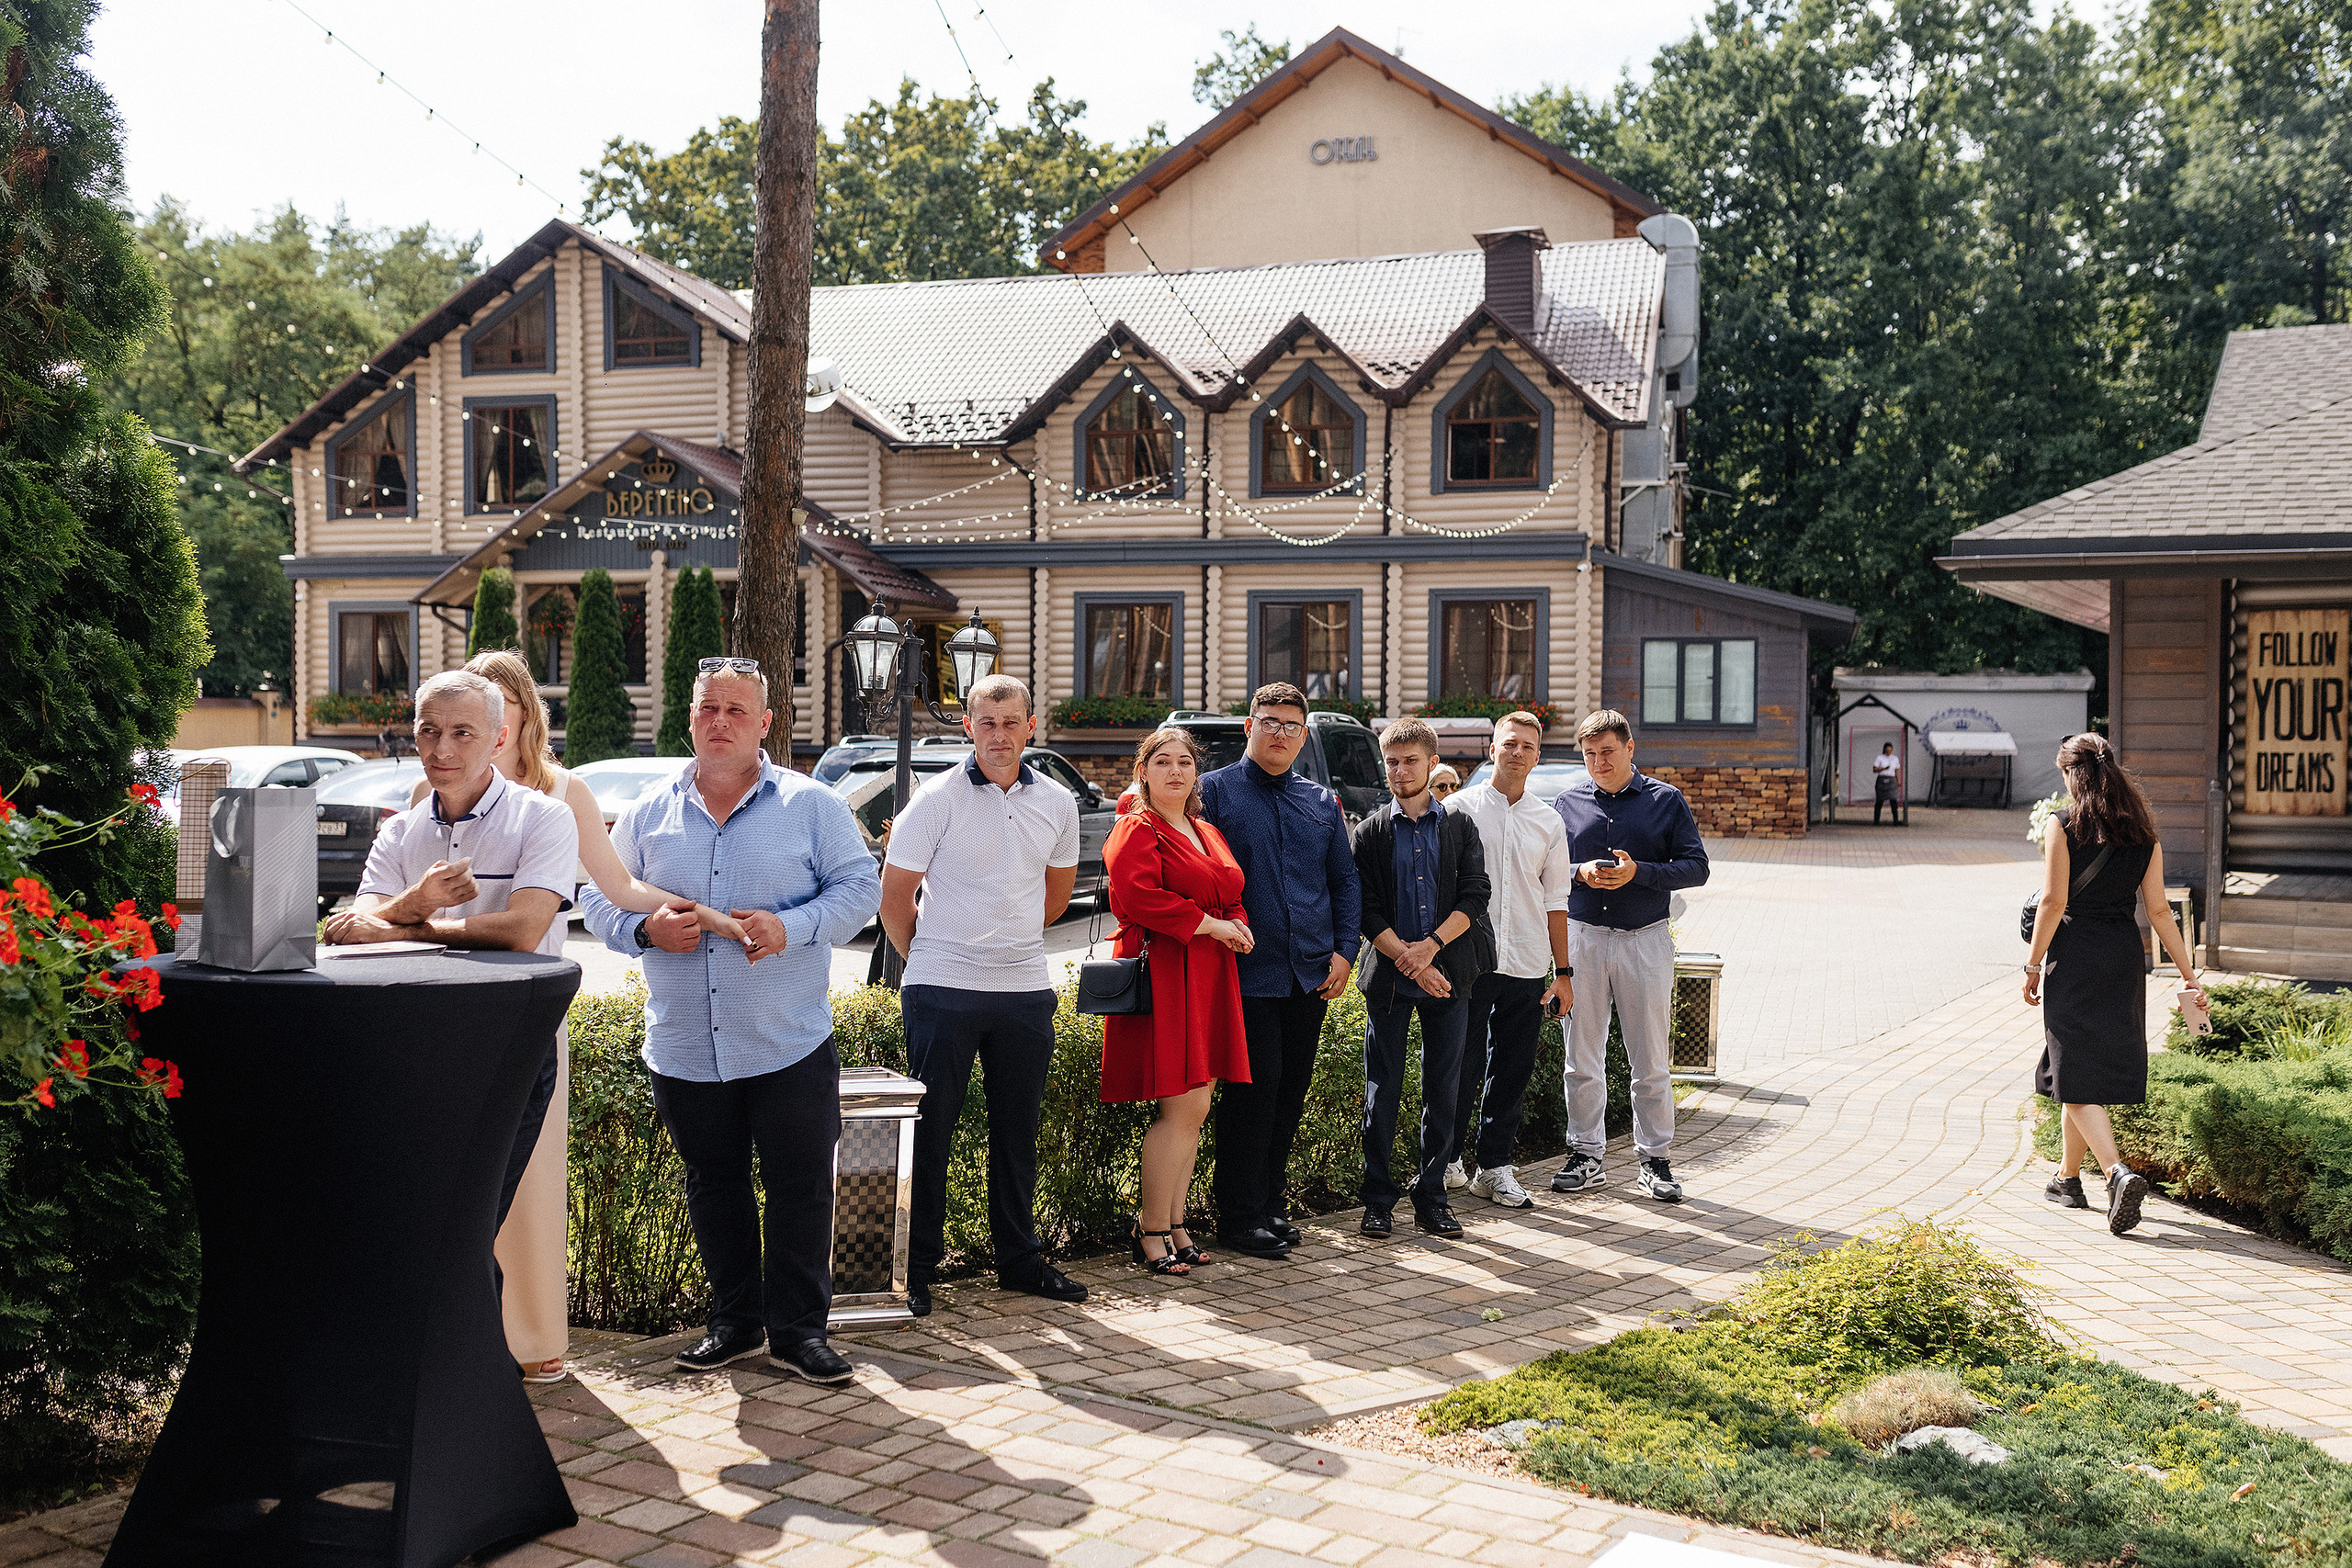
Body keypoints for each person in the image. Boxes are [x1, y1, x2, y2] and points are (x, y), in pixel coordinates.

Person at [407, 651, 749, 1382]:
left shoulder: (563, 792)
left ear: (522, 716)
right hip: (441, 1009)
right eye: (460, 719)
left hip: (527, 1012)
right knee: (452, 1182)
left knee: (528, 1187)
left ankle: (531, 1342)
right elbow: (401, 899)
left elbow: (619, 884)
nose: (474, 734)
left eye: (497, 710)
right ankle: (453, 1342)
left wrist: (706, 913)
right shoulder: (427, 790)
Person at [579, 660, 881, 1382]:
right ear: (689, 717)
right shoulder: (649, 811)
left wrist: (792, 926)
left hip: (787, 1039)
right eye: (708, 707)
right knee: (713, 1185)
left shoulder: (813, 805)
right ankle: (737, 1321)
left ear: (766, 724)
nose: (720, 721)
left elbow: (860, 890)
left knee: (800, 1187)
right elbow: (596, 900)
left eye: (736, 710)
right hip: (685, 1045)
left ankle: (800, 1332)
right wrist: (647, 930)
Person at [327, 670, 581, 1344]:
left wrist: (405, 924)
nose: (441, 747)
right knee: (426, 1221)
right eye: (428, 731)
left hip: (508, 1048)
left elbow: (524, 929)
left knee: (468, 1221)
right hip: (414, 1047)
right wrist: (410, 903)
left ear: (500, 738)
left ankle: (469, 1380)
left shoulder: (544, 817)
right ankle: (453, 1374)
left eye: (462, 732)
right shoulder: (402, 827)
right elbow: (346, 924)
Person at [880, 674, 1091, 1316]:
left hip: (1024, 989)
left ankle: (1018, 1259)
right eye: (987, 722)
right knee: (932, 1131)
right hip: (941, 989)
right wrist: (935, 959)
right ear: (968, 727)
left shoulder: (1057, 803)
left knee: (1017, 1131)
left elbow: (1055, 900)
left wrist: (1007, 945)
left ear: (1031, 727)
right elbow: (895, 898)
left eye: (1011, 721)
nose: (1000, 734)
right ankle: (915, 1269)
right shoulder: (936, 800)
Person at [1197, 682, 1362, 1259]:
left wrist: (1345, 952)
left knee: (1290, 1093)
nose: (1281, 734)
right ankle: (1238, 1217)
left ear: (1304, 733)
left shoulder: (1320, 802)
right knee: (1252, 1095)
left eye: (1293, 726)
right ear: (1249, 727)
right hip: (1246, 974)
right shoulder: (1212, 794)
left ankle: (1268, 1204)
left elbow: (1344, 881)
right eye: (1270, 722)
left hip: (1311, 973)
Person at [2024, 732, 2200, 1235]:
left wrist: (2033, 966)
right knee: (2074, 1066)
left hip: (2075, 958)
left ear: (2071, 774)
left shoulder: (2064, 825)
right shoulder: (2143, 832)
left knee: (2072, 1066)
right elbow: (2161, 911)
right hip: (2125, 958)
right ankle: (2067, 1179)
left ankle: (2116, 1174)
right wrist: (2189, 976)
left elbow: (2054, 903)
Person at [1100, 728, 1255, 1275]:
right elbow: (1138, 895)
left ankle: (1178, 1222)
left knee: (1197, 1107)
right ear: (1142, 771)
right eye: (1161, 761)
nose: (1174, 771)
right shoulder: (1136, 828)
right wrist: (1210, 923)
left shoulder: (1205, 829)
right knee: (1181, 1106)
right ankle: (1151, 1229)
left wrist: (1235, 922)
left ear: (1196, 772)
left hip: (1209, 969)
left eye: (1185, 762)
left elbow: (1231, 888)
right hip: (1166, 967)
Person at [1549, 710, 1710, 1203]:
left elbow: (1696, 868)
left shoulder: (1666, 801)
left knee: (1650, 1057)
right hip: (1584, 938)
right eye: (1590, 754)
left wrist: (1639, 873)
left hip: (1645, 938)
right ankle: (1586, 1156)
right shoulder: (1566, 803)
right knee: (1581, 1057)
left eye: (1608, 752)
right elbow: (1549, 867)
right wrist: (1580, 873)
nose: (1598, 762)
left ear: (1630, 748)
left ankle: (1656, 1162)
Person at [1351, 718, 1494, 1239]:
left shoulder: (1458, 826)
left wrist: (1430, 950)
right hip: (1390, 978)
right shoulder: (1370, 831)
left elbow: (1475, 896)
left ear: (1432, 764)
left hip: (1450, 975)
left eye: (1411, 761)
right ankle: (1378, 1199)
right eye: (1392, 762)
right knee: (1381, 1089)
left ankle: (1432, 1196)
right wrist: (1410, 960)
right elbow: (1363, 908)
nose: (1400, 770)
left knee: (1444, 1088)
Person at [1444, 712, 1577, 1209]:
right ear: (1492, 748)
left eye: (1527, 746)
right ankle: (1448, 1160)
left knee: (1512, 1069)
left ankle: (1494, 1166)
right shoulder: (1458, 809)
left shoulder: (1549, 821)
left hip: (1525, 963)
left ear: (1538, 756)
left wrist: (1562, 973)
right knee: (1459, 1062)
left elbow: (1557, 899)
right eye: (1509, 743)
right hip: (1468, 963)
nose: (1517, 752)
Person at [1872, 741, 1903, 824]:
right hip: (1882, 778)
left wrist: (1898, 781)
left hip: (1891, 779)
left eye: (1890, 750)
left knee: (1893, 800)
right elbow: (1874, 769)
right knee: (1879, 801)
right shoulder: (1880, 758)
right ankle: (1876, 820)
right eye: (1887, 750)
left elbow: (1897, 770)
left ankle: (1895, 820)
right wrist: (1883, 769)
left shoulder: (1895, 758)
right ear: (1884, 750)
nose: (1888, 752)